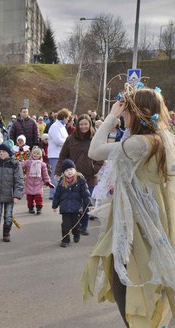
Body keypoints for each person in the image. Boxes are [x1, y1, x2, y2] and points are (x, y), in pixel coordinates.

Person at [81, 86, 175, 327]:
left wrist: (111, 116)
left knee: (133, 279)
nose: (123, 115)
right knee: (142, 275)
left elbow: (95, 150)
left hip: (137, 222)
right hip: (146, 216)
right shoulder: (157, 139)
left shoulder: (140, 144)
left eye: (126, 111)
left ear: (138, 113)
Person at [54, 114, 103, 235]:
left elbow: (101, 157)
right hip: (73, 177)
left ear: (89, 124)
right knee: (75, 203)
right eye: (81, 124)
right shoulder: (71, 139)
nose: (83, 126)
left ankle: (83, 226)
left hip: (90, 177)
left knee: (86, 203)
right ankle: (74, 225)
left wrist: (94, 169)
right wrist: (58, 171)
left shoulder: (95, 138)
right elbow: (63, 156)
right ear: (77, 125)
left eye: (86, 124)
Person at [0, 143, 23, 243]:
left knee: (8, 215)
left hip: (10, 195)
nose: (1, 154)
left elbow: (19, 180)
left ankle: (6, 233)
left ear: (8, 153)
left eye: (3, 152)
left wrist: (17, 195)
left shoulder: (15, 164)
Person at [52, 159, 91, 248]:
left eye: (71, 169)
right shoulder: (62, 181)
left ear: (75, 169)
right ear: (63, 172)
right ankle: (65, 240)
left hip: (76, 208)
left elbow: (86, 193)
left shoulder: (80, 180)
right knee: (65, 225)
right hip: (65, 208)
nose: (69, 172)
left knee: (75, 225)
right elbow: (57, 194)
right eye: (66, 170)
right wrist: (55, 205)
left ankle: (76, 234)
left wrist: (89, 204)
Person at [47, 108, 71, 199]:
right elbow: (58, 141)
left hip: (61, 154)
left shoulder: (62, 126)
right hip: (55, 154)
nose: (68, 119)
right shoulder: (55, 126)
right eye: (68, 117)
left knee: (61, 175)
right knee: (55, 175)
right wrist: (68, 142)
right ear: (64, 117)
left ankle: (59, 193)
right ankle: (53, 194)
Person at [22, 147, 53, 215]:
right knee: (29, 198)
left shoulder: (43, 164)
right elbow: (21, 165)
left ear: (40, 155)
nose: (35, 155)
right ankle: (31, 208)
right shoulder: (28, 162)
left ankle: (39, 208)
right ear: (32, 154)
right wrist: (18, 162)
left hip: (38, 184)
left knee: (38, 198)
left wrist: (48, 181)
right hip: (29, 183)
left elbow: (45, 174)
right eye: (34, 153)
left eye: (37, 154)